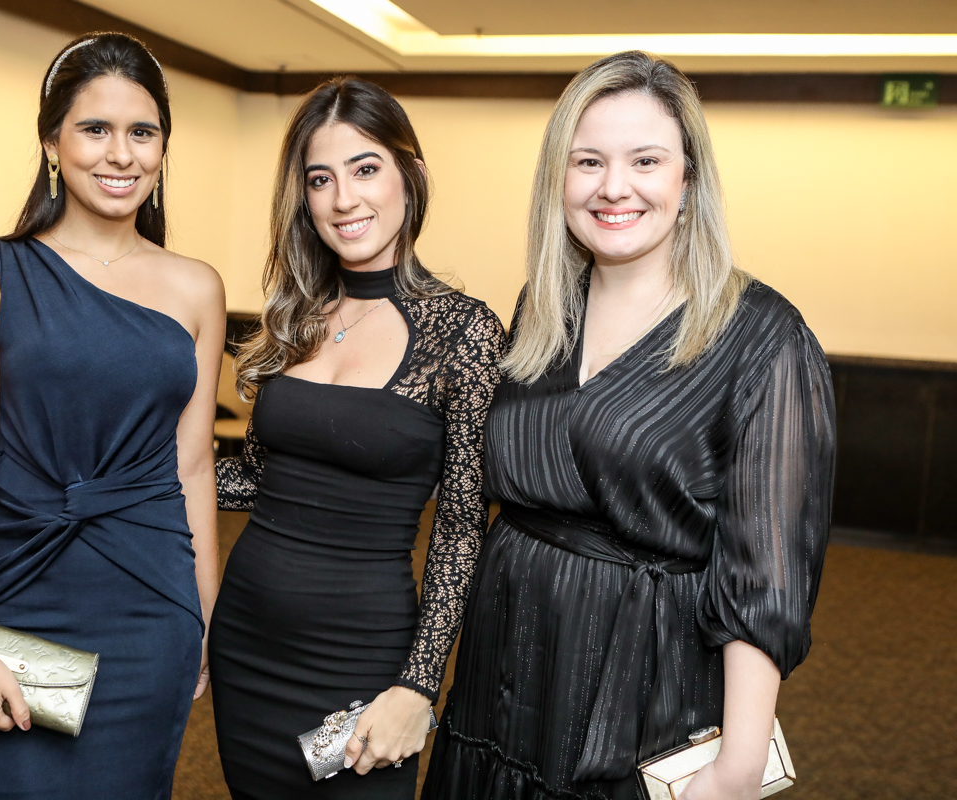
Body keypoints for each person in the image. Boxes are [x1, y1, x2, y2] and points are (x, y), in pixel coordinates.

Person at [423, 51, 836, 800]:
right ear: (559, 179)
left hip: (643, 687)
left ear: (689, 178)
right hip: (501, 671)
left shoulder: (762, 336)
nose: (614, 187)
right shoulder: (544, 307)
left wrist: (740, 764)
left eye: (646, 160)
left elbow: (767, 575)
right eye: (588, 162)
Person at [0, 33, 223, 800]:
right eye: (95, 129)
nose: (121, 154)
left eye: (143, 132)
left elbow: (193, 465)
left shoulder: (196, 287)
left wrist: (206, 615)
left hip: (151, 603)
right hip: (20, 593)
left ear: (163, 148)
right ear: (52, 143)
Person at [210, 77, 506, 799]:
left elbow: (461, 527)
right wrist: (138, 471)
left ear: (411, 175)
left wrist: (419, 683)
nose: (344, 199)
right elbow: (258, 480)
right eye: (321, 179)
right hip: (247, 639)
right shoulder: (294, 315)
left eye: (365, 169)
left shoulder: (464, 331)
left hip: (362, 654)